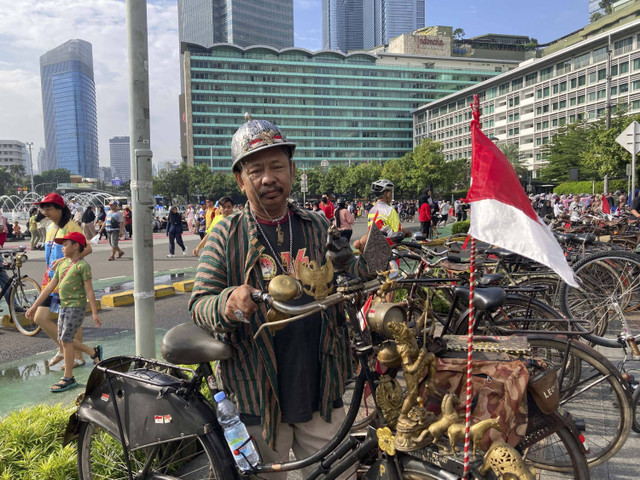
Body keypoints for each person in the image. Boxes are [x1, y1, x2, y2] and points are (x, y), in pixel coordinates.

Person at [190, 119, 368, 479]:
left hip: (321, 390)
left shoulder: (316, 225)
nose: (268, 178)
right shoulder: (226, 233)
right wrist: (227, 302)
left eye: (277, 167)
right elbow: (199, 304)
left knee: (338, 474)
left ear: (292, 170)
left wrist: (366, 258)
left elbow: (346, 283)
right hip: (258, 398)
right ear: (241, 181)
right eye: (256, 170)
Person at [26, 232, 102, 392]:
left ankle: (68, 377)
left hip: (76, 307)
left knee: (66, 340)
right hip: (64, 306)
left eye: (66, 244)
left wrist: (94, 312)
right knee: (64, 339)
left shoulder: (82, 266)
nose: (62, 247)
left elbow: (89, 290)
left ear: (75, 246)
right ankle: (93, 352)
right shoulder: (62, 265)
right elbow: (49, 288)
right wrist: (34, 306)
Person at [32, 193, 91, 367]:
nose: (44, 211)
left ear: (60, 209)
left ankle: (77, 356)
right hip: (50, 278)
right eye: (43, 208)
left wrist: (66, 261)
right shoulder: (51, 227)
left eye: (48, 208)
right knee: (39, 318)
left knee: (71, 320)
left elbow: (87, 248)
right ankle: (64, 349)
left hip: (69, 278)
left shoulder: (71, 226)